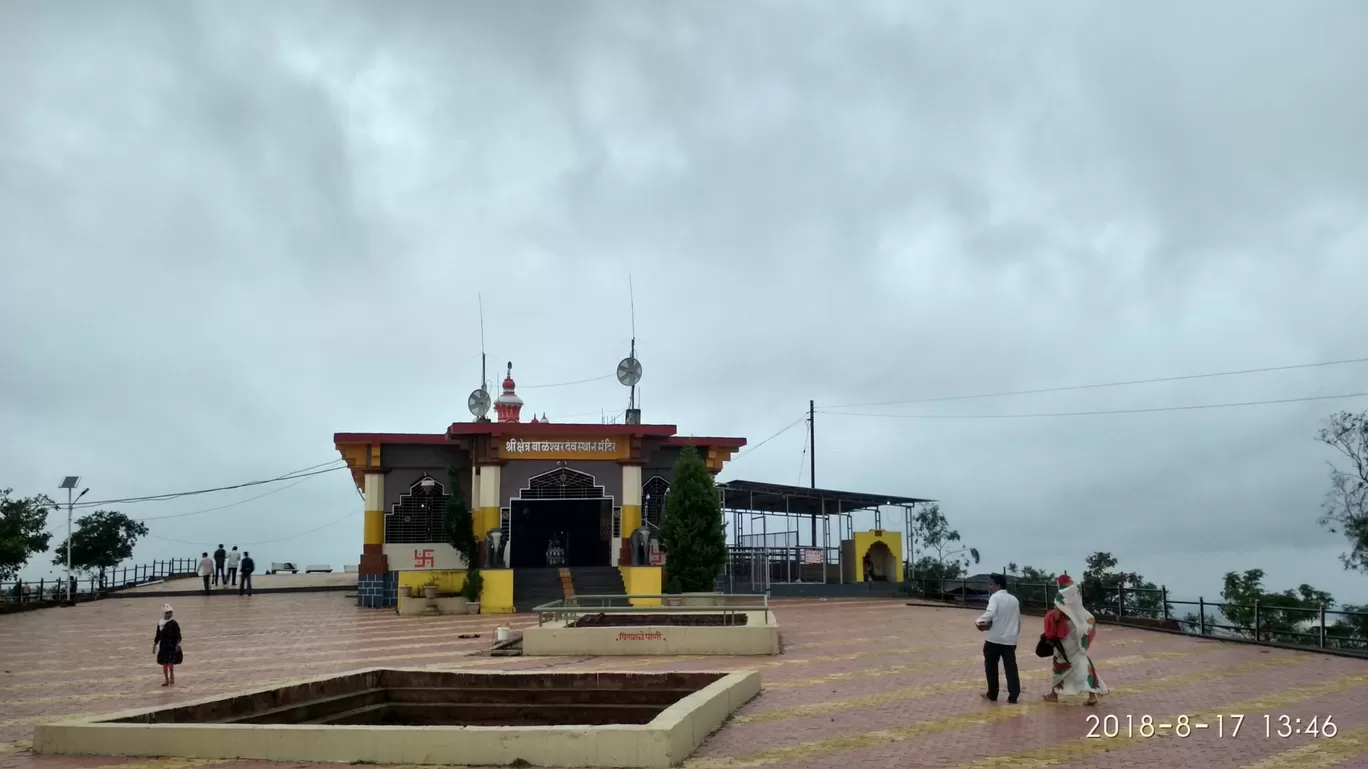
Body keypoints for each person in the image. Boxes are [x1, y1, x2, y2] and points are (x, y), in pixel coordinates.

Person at [1042, 574, 1108, 705]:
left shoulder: (1060, 596)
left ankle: (1054, 694)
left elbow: (1057, 616)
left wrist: (1050, 616)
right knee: (1081, 660)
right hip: (1077, 631)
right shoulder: (1075, 595)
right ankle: (1092, 694)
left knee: (1060, 662)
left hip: (1065, 635)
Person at [975, 573, 1021, 703]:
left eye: (990, 584)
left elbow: (990, 613)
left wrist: (979, 621)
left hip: (994, 639)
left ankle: (992, 693)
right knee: (1011, 667)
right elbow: (1018, 620)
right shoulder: (1014, 600)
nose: (989, 587)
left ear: (998, 585)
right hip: (1010, 640)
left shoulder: (995, 598)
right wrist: (1015, 635)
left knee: (991, 667)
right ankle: (1014, 695)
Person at [154, 604, 182, 686]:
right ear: (163, 613)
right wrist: (154, 645)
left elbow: (178, 635)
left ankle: (172, 676)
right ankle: (166, 679)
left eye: (170, 612)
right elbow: (158, 635)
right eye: (167, 612)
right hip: (163, 646)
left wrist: (177, 644)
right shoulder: (160, 623)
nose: (169, 614)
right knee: (164, 664)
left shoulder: (174, 623)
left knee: (170, 663)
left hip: (171, 646)